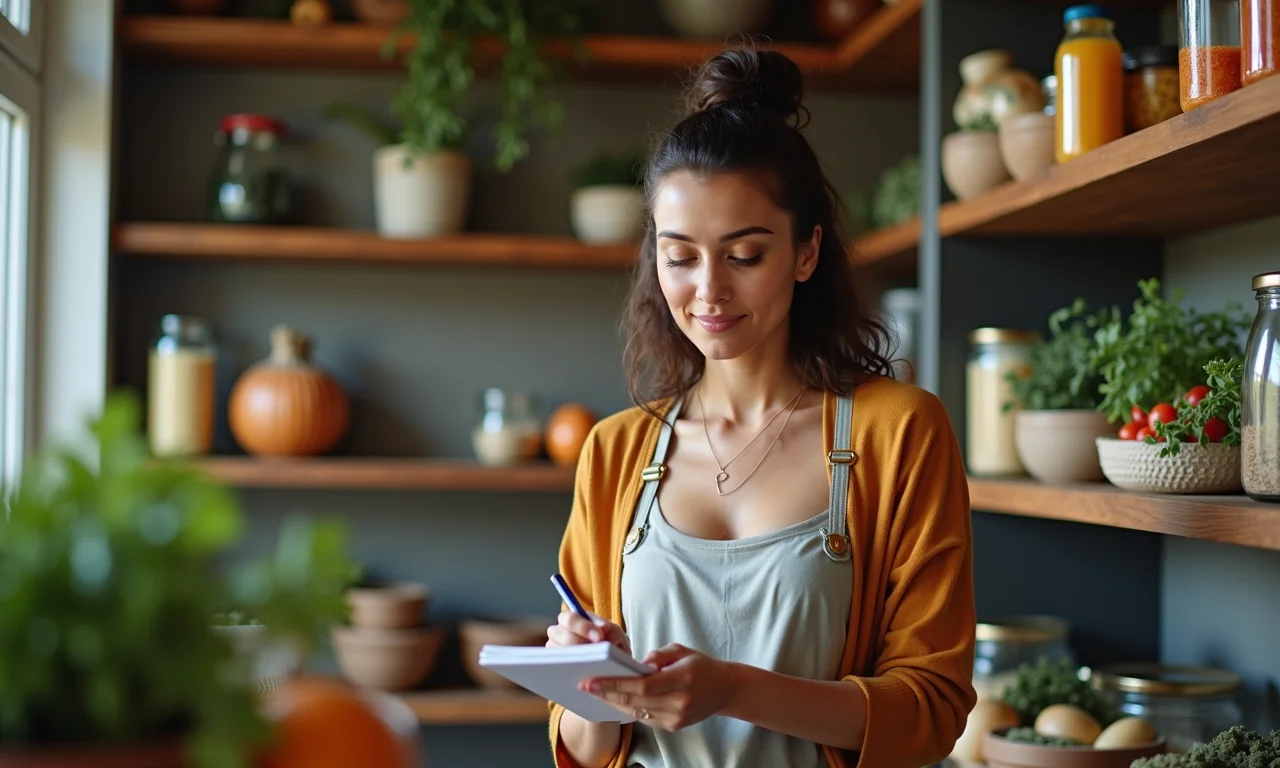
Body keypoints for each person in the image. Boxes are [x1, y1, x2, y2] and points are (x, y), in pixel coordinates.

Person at [545, 45, 976, 768]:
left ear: (806, 254)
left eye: (744, 255)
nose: (708, 291)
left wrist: (733, 690)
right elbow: (587, 749)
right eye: (680, 256)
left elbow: (931, 708)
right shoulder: (615, 452)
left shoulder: (900, 432)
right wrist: (587, 683)